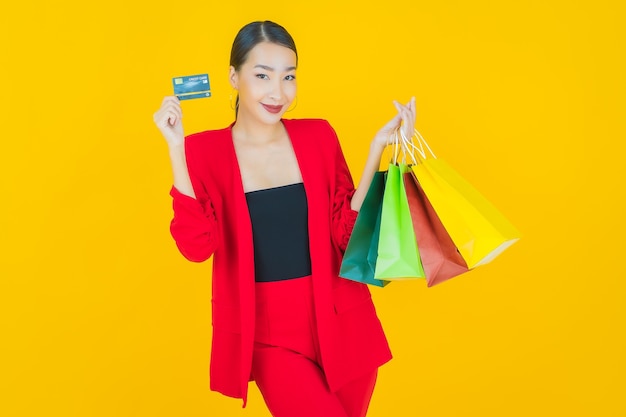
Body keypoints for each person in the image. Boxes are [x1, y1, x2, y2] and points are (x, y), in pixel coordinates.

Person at [153, 20, 416, 417]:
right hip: (268, 334)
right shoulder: (202, 151)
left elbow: (346, 235)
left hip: (342, 322)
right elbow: (196, 247)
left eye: (288, 77)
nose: (278, 92)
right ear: (233, 77)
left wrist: (376, 149)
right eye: (262, 75)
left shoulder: (318, 136)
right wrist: (175, 149)